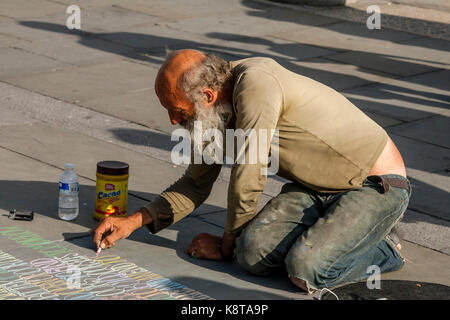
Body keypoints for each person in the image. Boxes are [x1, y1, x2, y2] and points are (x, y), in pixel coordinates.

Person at [92, 49, 411, 293]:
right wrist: (133, 222)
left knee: (306, 269)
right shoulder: (210, 114)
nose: (174, 122)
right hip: (317, 187)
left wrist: (224, 243)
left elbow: (250, 171)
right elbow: (195, 183)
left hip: (375, 182)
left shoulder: (255, 84)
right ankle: (336, 233)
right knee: (251, 255)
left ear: (206, 96)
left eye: (177, 111)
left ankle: (384, 247)